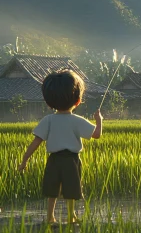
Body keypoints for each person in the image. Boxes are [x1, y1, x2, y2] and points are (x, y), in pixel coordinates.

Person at [17, 69, 103, 223]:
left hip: (54, 160)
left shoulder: (48, 120)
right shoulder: (77, 120)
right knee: (71, 189)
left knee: (52, 190)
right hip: (71, 160)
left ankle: (50, 217)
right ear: (77, 101)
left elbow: (36, 142)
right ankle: (71, 216)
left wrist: (25, 160)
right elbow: (96, 135)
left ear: (49, 101)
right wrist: (99, 120)